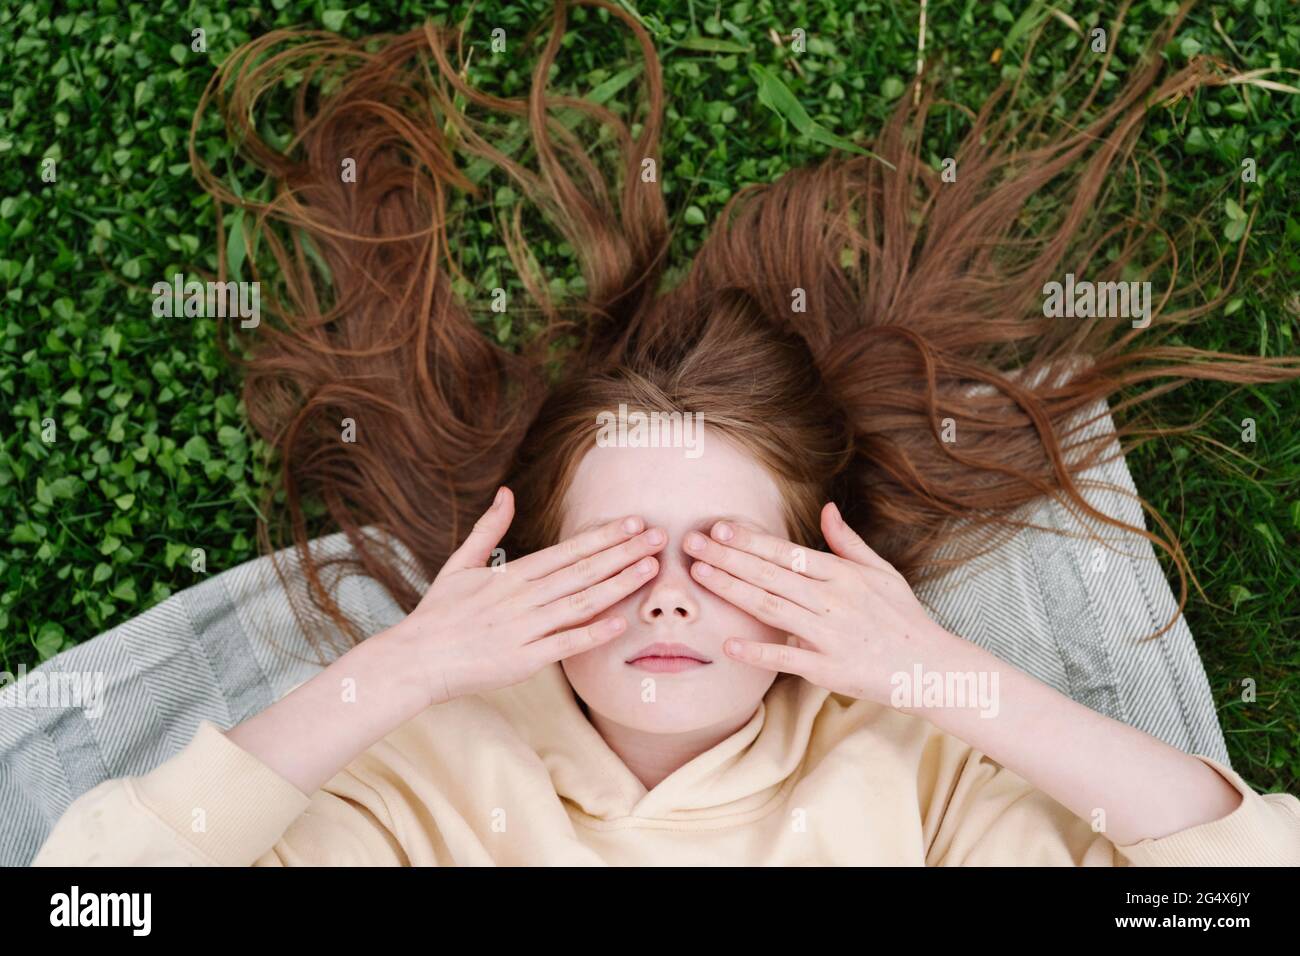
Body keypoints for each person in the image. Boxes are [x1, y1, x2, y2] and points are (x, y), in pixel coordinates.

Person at [32, 0, 1300, 865]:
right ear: (522, 577)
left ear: (823, 573)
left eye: (733, 554)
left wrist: (929, 673)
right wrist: (402, 670)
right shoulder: (420, 765)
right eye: (622, 554)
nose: (674, 600)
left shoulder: (915, 766)